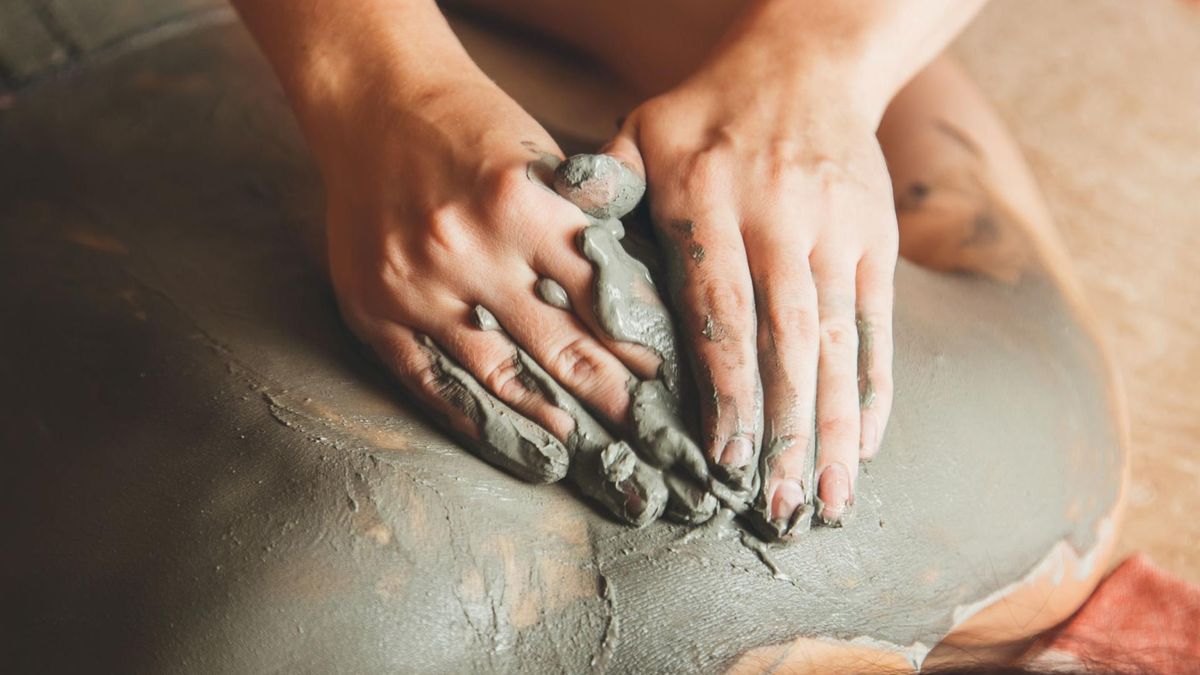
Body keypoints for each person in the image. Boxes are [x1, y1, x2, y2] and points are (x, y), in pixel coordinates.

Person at [0, 2, 1126, 672]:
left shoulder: (1027, 451)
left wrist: (817, 64)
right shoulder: (1026, 462)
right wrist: (373, 78)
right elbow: (962, 173)